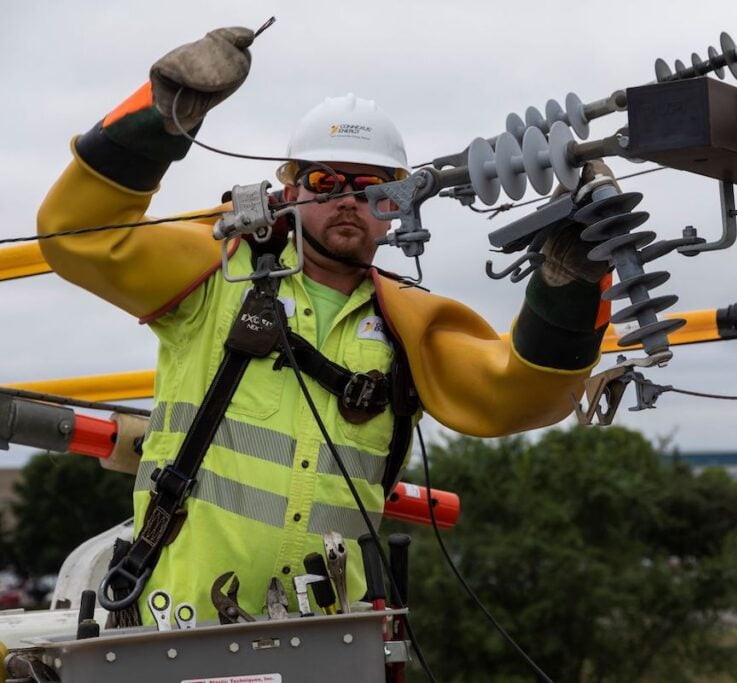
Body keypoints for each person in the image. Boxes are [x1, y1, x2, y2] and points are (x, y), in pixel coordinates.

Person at [37, 27, 614, 625]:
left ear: (398, 210)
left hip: (330, 634)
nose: (346, 200)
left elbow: (521, 394)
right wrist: (160, 117)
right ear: (288, 189)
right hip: (177, 622)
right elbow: (77, 236)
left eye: (371, 189)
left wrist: (571, 281)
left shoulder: (408, 326)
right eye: (324, 182)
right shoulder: (215, 278)